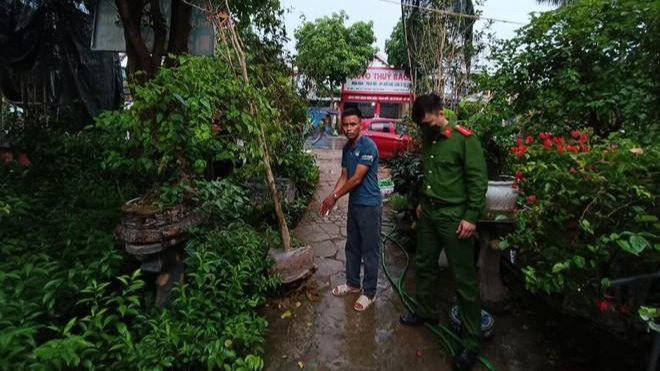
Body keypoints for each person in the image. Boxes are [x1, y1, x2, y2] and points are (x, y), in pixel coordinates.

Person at [399, 94, 488, 371]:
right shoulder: (430, 139)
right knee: (424, 264)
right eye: (420, 126)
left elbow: (477, 180)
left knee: (464, 278)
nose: (424, 129)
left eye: (427, 123)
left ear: (439, 113)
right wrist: (421, 204)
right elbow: (429, 175)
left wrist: (471, 217)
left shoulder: (464, 139)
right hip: (430, 215)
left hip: (454, 217)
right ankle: (426, 311)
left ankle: (472, 341)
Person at [319, 107, 382, 312]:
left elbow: (356, 179)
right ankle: (353, 283)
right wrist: (331, 197)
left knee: (369, 250)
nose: (349, 128)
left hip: (370, 206)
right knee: (352, 246)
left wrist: (334, 197)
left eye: (353, 124)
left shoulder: (368, 146)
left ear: (361, 123)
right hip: (355, 205)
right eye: (345, 124)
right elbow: (345, 176)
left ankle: (369, 292)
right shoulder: (347, 149)